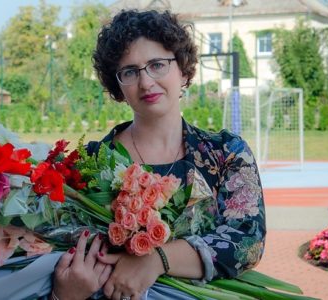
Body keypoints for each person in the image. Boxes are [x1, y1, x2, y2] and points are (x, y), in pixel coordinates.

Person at [51, 9, 266, 300]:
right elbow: (65, 252)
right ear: (117, 86)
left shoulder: (226, 153)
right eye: (130, 72)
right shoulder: (88, 163)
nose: (146, 82)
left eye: (157, 65)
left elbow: (246, 240)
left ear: (183, 68)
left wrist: (157, 260)